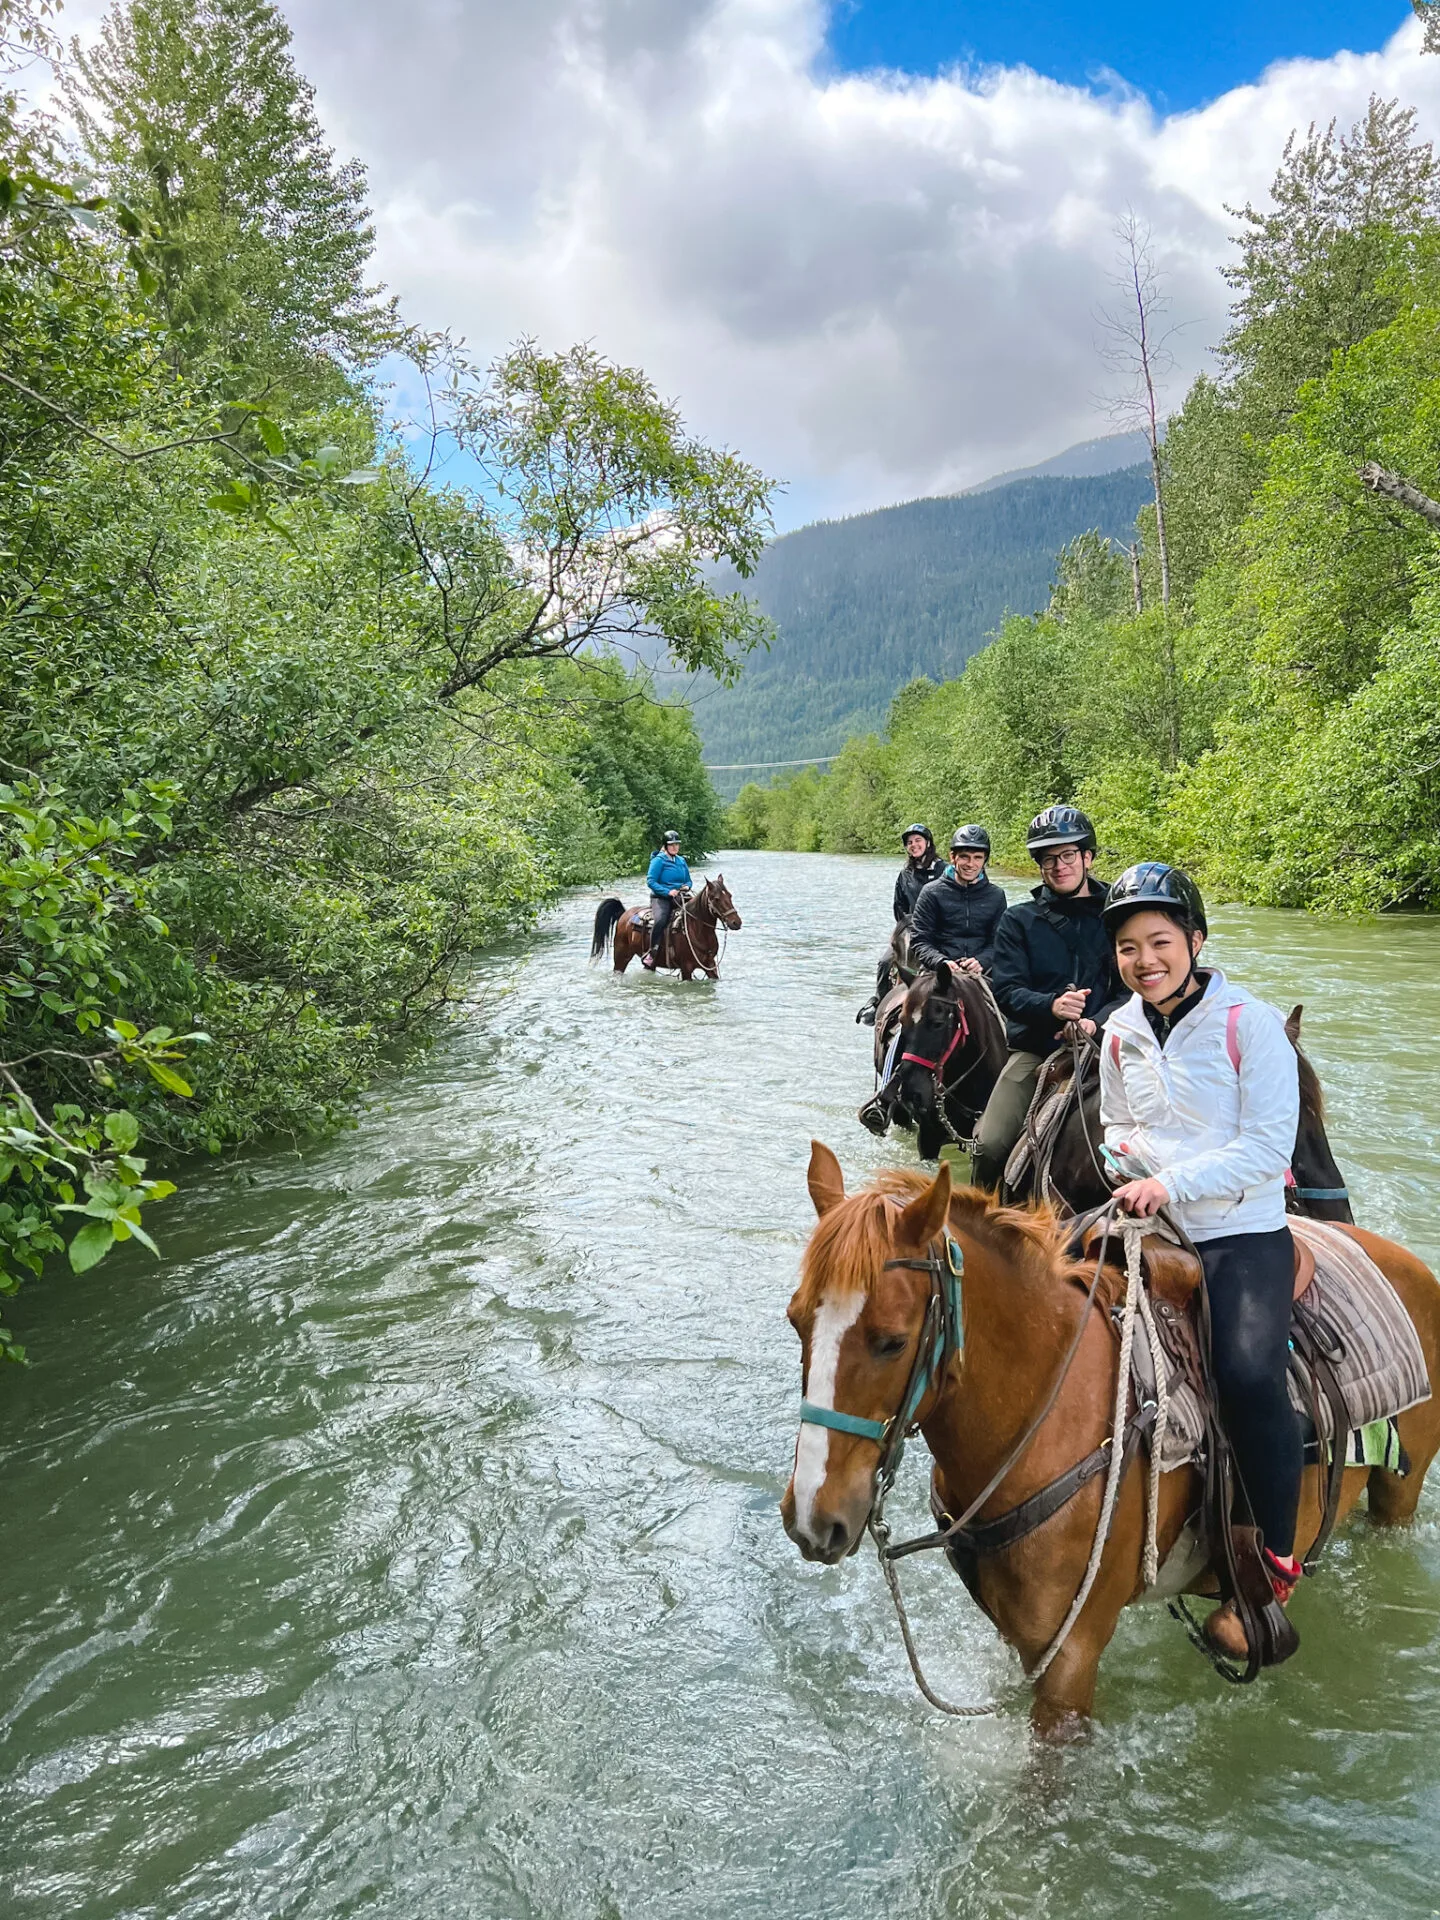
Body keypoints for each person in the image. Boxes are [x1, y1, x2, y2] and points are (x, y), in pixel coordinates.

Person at [1099, 861, 1303, 1657]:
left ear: (1196, 940)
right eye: (1127, 946)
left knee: (1250, 1375)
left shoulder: (1246, 1022)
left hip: (1239, 1232)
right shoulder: (1119, 1030)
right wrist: (1129, 1161)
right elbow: (1114, 1125)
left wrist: (1167, 1180)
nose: (1144, 959)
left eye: (1158, 941)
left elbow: (1267, 1150)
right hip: (1144, 1223)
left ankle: (1272, 1564)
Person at [972, 804, 1120, 1191]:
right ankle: (981, 1225)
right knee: (989, 1144)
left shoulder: (1119, 916)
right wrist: (1051, 1007)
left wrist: (1096, 1021)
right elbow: (1005, 990)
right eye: (1048, 859)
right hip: (1038, 1050)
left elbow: (1134, 990)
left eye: (1068, 855)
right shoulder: (1018, 921)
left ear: (1087, 856)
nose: (1059, 866)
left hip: (1113, 1046)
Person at [858, 824, 945, 1023]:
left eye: (918, 841)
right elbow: (899, 909)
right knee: (884, 962)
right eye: (910, 842)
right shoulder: (905, 874)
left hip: (940, 931)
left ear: (928, 843)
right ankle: (879, 1002)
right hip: (911, 931)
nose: (913, 845)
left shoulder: (945, 870)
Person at [909, 825, 1008, 981]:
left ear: (984, 860)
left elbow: (999, 941)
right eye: (964, 857)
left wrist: (982, 961)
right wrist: (941, 962)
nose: (970, 864)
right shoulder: (931, 892)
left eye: (977, 857)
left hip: (983, 972)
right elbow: (920, 939)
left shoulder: (996, 896)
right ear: (953, 857)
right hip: (937, 971)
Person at [642, 829, 691, 971]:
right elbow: (651, 881)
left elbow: (688, 880)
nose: (675, 847)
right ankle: (652, 952)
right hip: (661, 898)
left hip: (680, 896)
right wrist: (667, 891)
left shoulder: (681, 861)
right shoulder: (658, 860)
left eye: (677, 844)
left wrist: (686, 887)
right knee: (661, 920)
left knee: (697, 912)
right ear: (666, 846)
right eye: (672, 844)